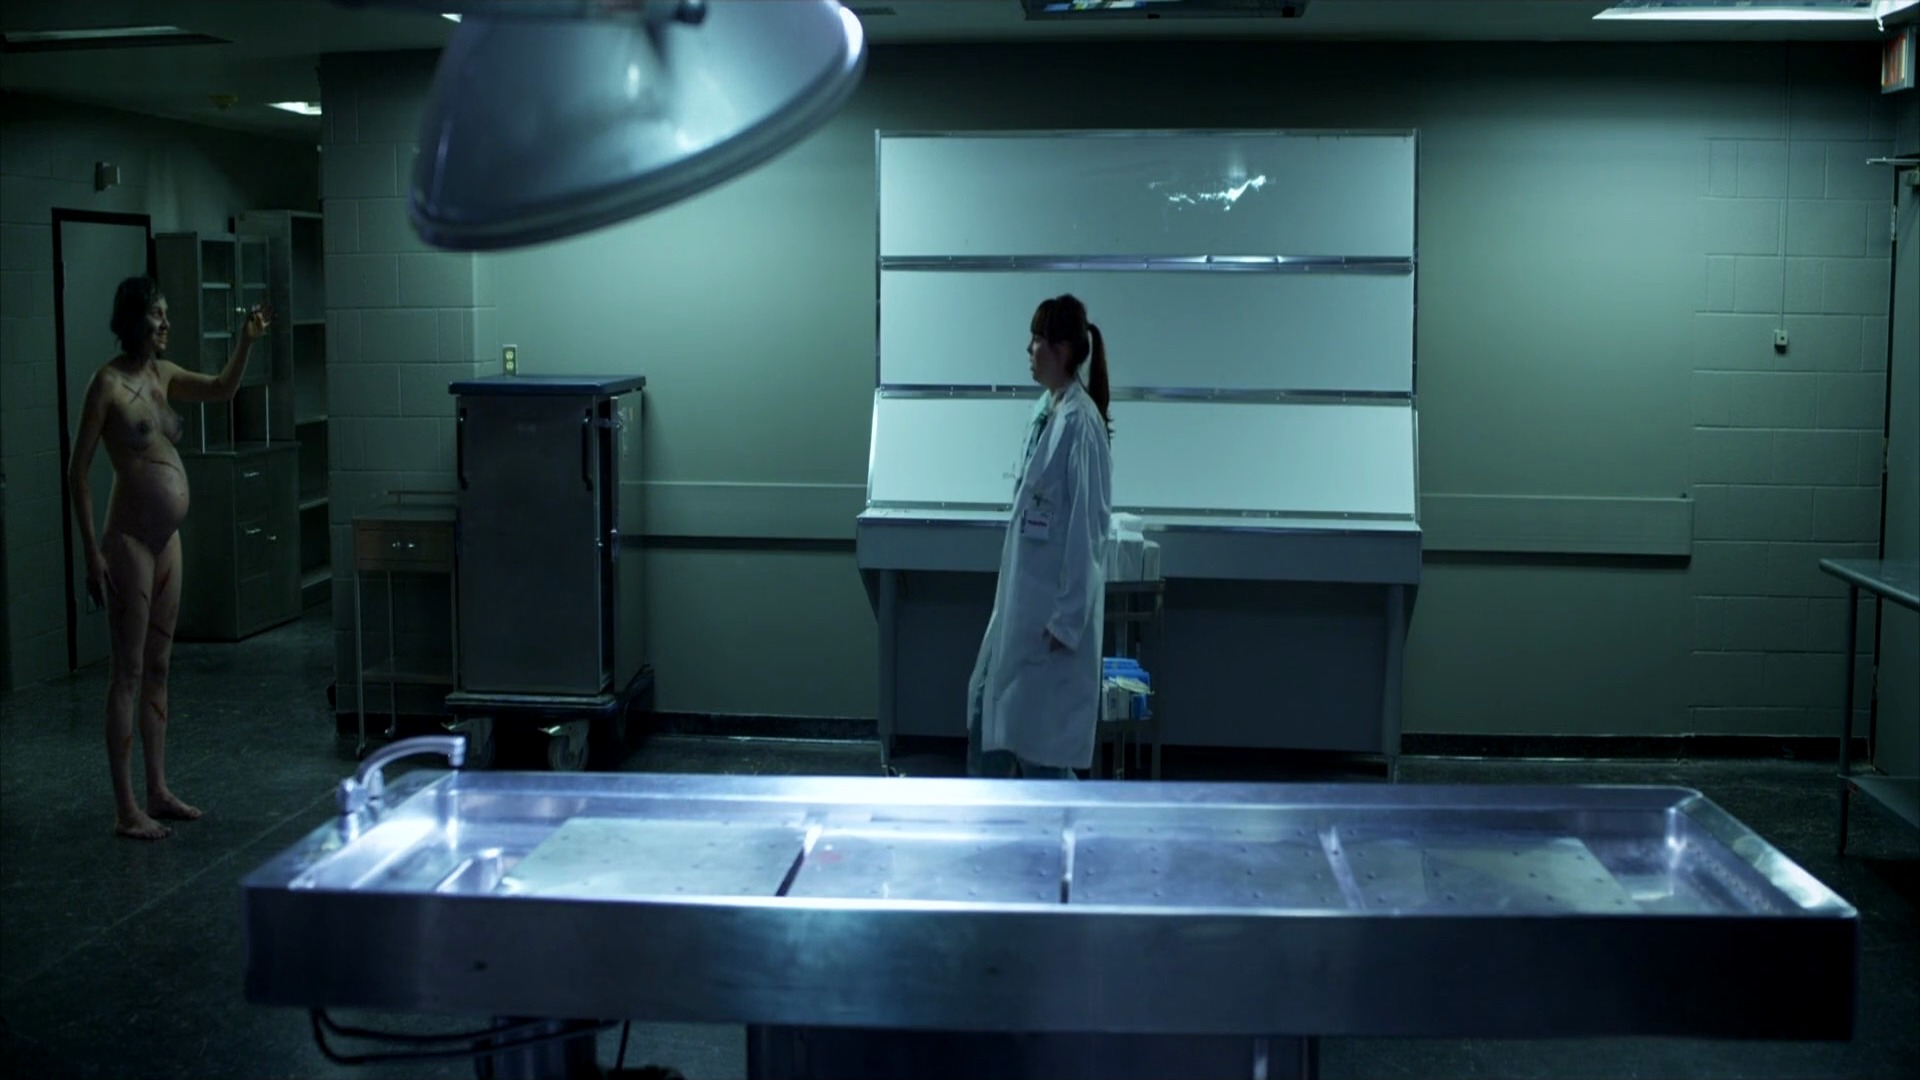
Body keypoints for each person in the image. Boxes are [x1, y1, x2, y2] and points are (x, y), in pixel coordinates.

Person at [67, 276, 269, 840]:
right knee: (128, 672)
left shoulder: (164, 375)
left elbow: (222, 389)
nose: (166, 324)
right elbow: (77, 473)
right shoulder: (106, 385)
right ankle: (125, 807)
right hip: (129, 542)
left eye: (165, 314)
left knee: (159, 667)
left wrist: (246, 342)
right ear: (135, 319)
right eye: (157, 314)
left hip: (166, 542)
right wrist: (91, 551)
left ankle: (157, 789)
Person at [966, 294, 1114, 779]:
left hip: (1049, 626)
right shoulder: (1047, 413)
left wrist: (1066, 622)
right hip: (1024, 611)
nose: (1028, 349)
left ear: (1062, 350)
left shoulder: (1080, 425)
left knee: (1036, 753)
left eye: (1037, 340)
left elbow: (1088, 532)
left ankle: (1046, 826)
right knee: (995, 722)